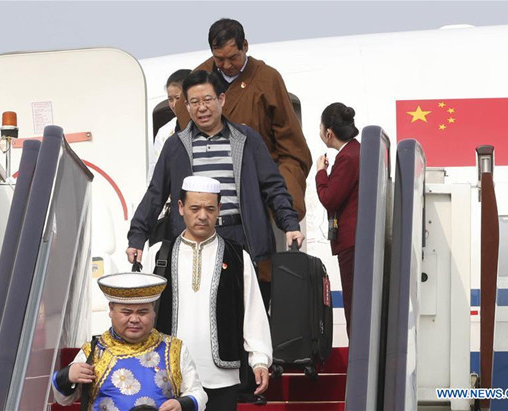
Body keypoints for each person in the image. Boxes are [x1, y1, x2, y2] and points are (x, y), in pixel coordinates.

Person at [127, 69, 304, 278]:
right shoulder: (175, 146)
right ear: (187, 106)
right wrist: (137, 237)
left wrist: (290, 225)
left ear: (221, 99)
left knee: (244, 307)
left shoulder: (247, 140)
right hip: (193, 240)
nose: (202, 108)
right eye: (194, 102)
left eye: (207, 99)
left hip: (240, 237)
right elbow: (155, 194)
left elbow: (274, 187)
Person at [144, 175, 272, 411]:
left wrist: (260, 360)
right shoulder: (158, 255)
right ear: (180, 208)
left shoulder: (237, 256)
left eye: (210, 208)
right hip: (167, 374)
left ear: (219, 209)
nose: (202, 215)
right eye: (195, 208)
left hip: (222, 376)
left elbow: (253, 311)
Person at [173, 18, 312, 222]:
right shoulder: (198, 80)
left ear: (245, 46)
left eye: (233, 57)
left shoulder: (268, 79)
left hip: (257, 191)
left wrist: (284, 198)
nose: (227, 65)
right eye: (219, 59)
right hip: (210, 197)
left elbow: (292, 148)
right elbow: (183, 142)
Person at [51, 273, 208, 411]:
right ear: (111, 310)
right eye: (126, 312)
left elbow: (197, 392)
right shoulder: (93, 351)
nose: (134, 319)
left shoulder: (174, 348)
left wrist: (182, 404)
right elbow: (63, 400)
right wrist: (68, 376)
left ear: (153, 311)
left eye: (142, 312)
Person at [315, 102, 360, 339]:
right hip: (357, 241)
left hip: (351, 243)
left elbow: (330, 198)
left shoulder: (347, 158)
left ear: (329, 133)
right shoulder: (357, 151)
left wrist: (320, 173)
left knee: (354, 307)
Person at [148, 69, 192, 183]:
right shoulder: (165, 132)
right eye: (170, 99)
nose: (173, 104)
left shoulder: (210, 124)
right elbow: (155, 174)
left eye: (178, 98)